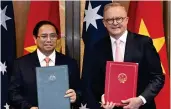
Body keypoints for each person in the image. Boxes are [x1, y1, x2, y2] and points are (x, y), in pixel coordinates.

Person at [81, 2, 165, 109]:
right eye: (110, 20)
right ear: (104, 23)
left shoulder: (144, 43)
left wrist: (141, 100)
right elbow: (94, 81)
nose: (115, 23)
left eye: (119, 18)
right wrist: (102, 96)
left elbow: (158, 77)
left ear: (126, 20)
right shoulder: (97, 47)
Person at [9, 20, 81, 109]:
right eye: (44, 36)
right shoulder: (20, 64)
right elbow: (13, 93)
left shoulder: (70, 63)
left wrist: (75, 96)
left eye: (53, 36)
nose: (49, 40)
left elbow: (80, 90)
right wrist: (28, 107)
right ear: (35, 39)